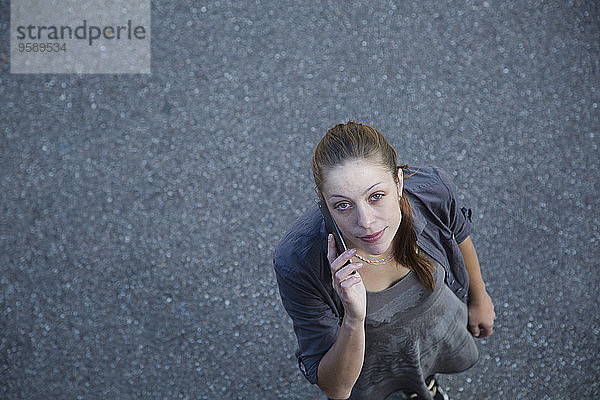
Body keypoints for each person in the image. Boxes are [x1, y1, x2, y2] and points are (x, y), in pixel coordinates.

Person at [273, 121, 495, 400]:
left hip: (433, 325)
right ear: (323, 201)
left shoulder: (433, 190)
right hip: (366, 360)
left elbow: (458, 231)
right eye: (343, 205)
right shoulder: (297, 261)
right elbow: (337, 388)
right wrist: (353, 318)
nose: (365, 222)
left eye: (376, 196)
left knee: (421, 375)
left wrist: (479, 295)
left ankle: (421, 384)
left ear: (399, 182)